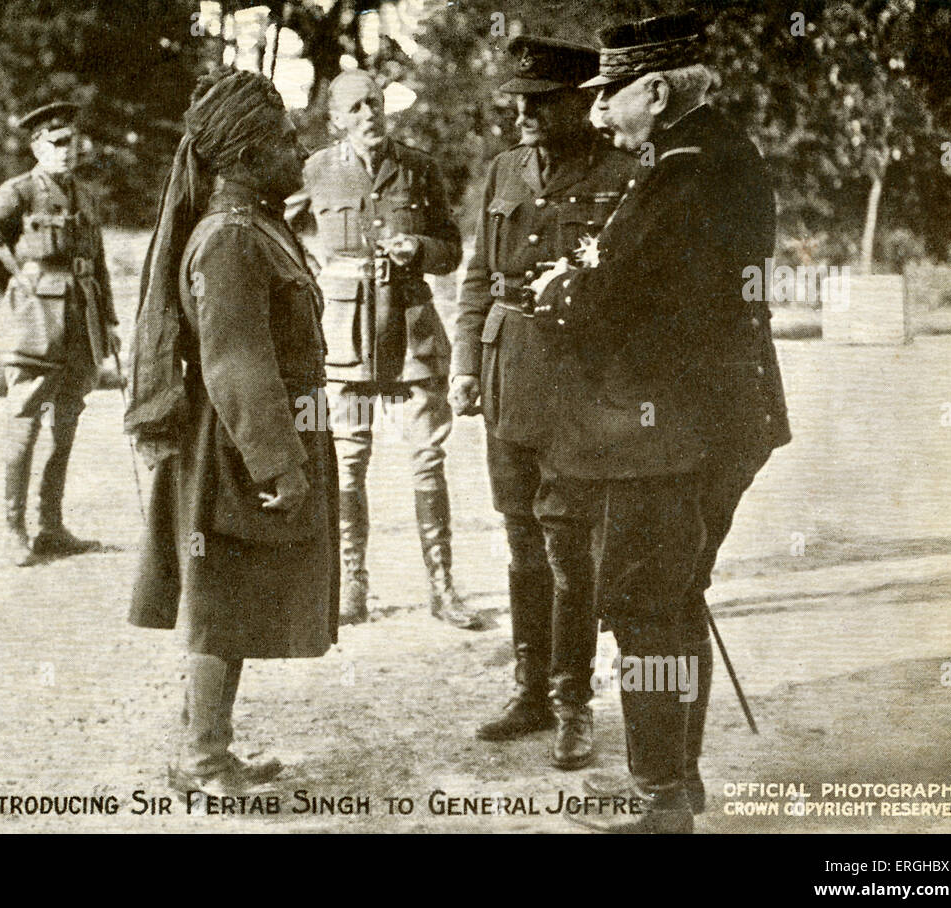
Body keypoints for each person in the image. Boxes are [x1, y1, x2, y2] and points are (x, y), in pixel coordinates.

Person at [532, 10, 790, 832]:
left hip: (667, 431)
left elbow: (615, 300)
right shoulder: (719, 153)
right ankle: (676, 785)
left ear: (654, 88)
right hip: (718, 417)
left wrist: (560, 295)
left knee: (647, 609)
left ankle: (660, 799)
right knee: (676, 599)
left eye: (611, 93)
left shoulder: (684, 171)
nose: (598, 110)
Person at [124, 68, 338, 799]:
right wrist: (280, 464)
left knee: (232, 597)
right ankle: (204, 761)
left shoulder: (257, 227)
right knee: (218, 601)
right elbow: (237, 362)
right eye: (284, 140)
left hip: (254, 438)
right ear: (246, 156)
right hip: (237, 447)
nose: (298, 149)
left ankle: (207, 748)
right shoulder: (229, 237)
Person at [450, 37, 635, 768]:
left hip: (580, 392)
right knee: (521, 542)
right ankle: (528, 691)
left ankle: (571, 703)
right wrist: (465, 366)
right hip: (505, 381)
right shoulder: (503, 170)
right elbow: (475, 281)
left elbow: (635, 297)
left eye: (539, 101)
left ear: (580, 103)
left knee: (568, 551)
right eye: (517, 101)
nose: (523, 113)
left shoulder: (624, 175)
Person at [285, 71, 474, 629]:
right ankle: (350, 587)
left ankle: (442, 587)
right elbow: (278, 225)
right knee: (347, 464)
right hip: (344, 339)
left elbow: (452, 252)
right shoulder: (315, 169)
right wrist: (311, 270)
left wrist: (418, 246)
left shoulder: (419, 167)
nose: (371, 114)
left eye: (377, 103)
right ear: (336, 120)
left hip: (411, 335)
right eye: (357, 107)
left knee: (428, 460)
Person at [0, 101, 118, 566]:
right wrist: (15, 290)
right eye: (58, 143)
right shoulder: (19, 192)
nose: (69, 151)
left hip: (79, 325)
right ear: (37, 147)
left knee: (64, 428)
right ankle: (14, 529)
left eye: (74, 141)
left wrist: (107, 320)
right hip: (33, 326)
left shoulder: (84, 196)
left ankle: (50, 526)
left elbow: (99, 264)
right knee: (24, 426)